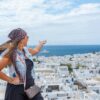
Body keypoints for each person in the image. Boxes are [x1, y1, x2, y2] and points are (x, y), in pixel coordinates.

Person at [0, 28, 47, 100]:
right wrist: (10, 80)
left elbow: (36, 50)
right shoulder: (11, 54)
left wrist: (40, 44)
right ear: (21, 39)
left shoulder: (26, 50)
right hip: (17, 89)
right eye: (26, 36)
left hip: (31, 86)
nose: (28, 38)